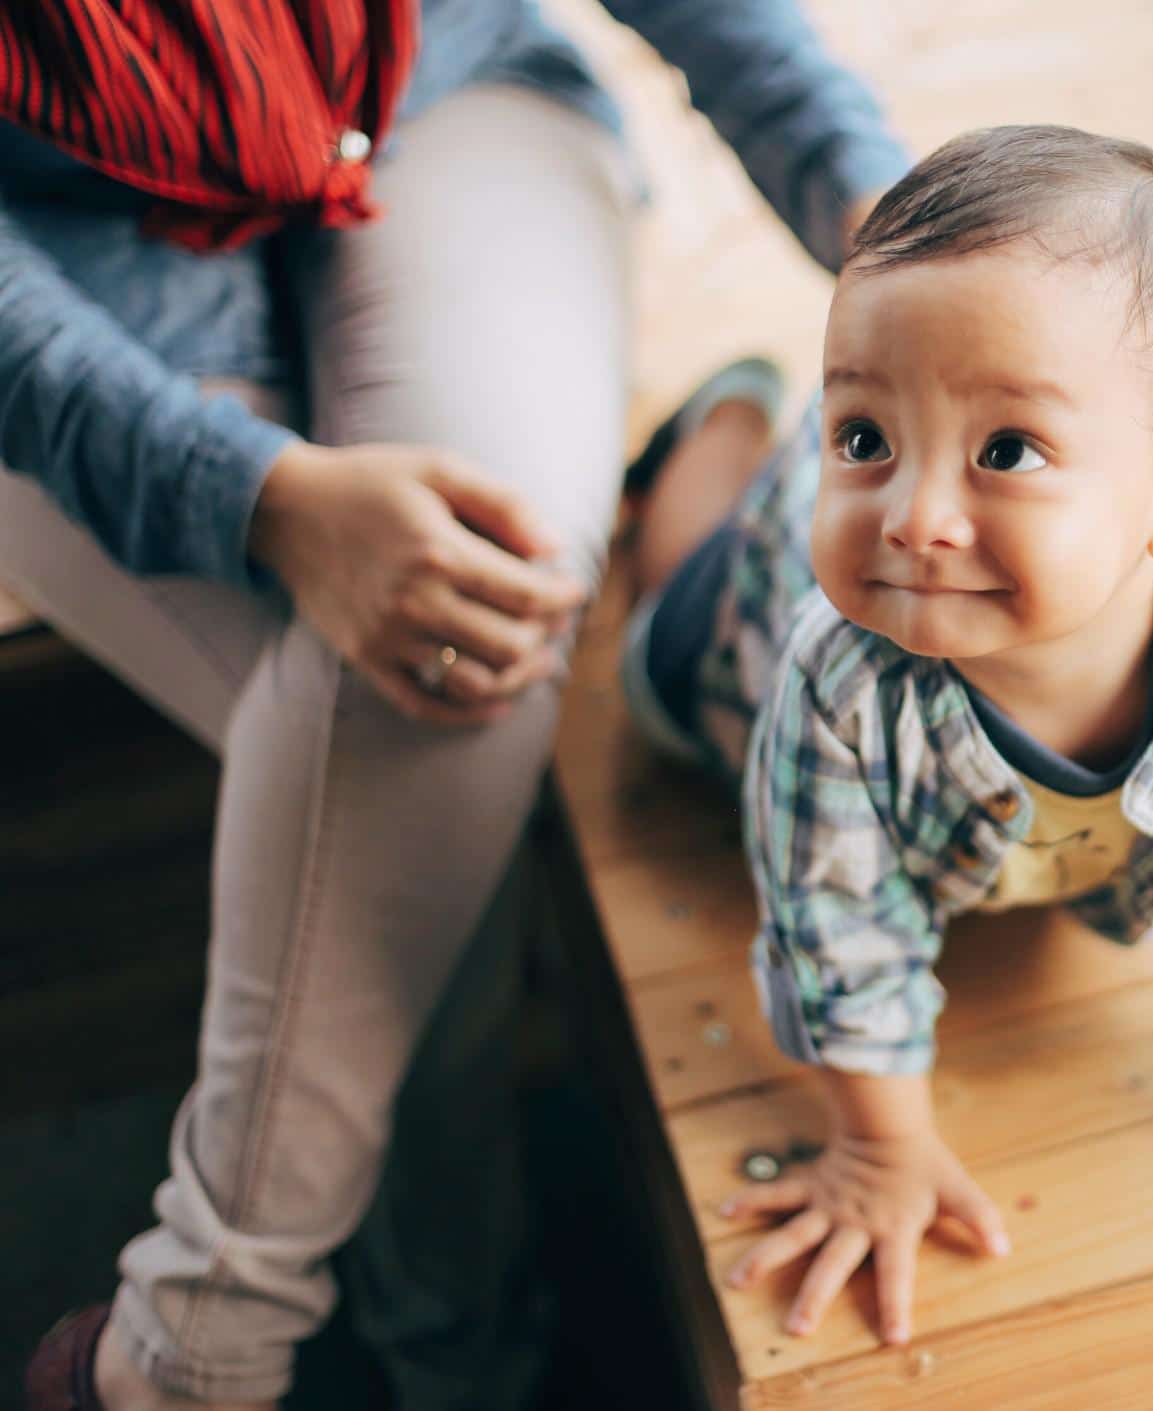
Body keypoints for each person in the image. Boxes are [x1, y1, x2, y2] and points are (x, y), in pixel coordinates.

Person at [8, 3, 906, 1408]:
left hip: (446, 99)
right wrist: (258, 498)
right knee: (424, 754)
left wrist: (896, 225)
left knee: (457, 657)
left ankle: (209, 1345)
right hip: (60, 262)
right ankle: (461, 1349)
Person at [616, 124, 1153, 1351]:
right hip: (758, 575)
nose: (915, 515)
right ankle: (724, 423)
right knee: (659, 647)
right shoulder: (828, 690)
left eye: (1006, 450)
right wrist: (882, 1145)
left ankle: (1132, 473)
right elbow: (837, 930)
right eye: (862, 435)